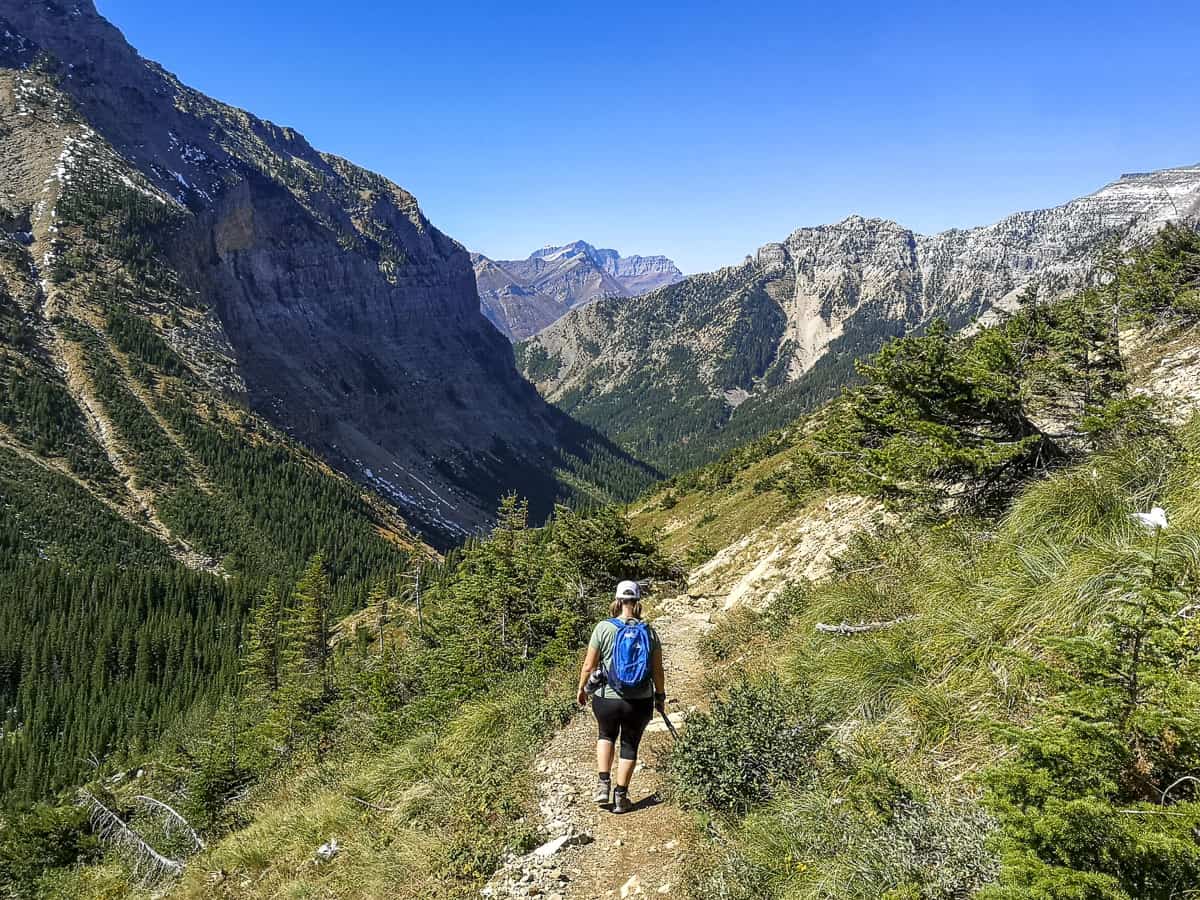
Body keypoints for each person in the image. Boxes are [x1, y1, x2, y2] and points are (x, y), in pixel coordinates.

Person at [576, 580, 666, 814]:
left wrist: (582, 688)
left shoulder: (603, 628)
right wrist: (660, 695)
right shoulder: (648, 631)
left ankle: (603, 785)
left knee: (605, 735)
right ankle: (621, 797)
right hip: (640, 700)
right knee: (630, 744)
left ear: (617, 601)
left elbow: (588, 665)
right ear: (637, 602)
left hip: (607, 697)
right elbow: (658, 670)